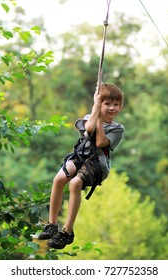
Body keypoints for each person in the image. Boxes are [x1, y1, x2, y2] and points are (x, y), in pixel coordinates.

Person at [38, 83, 124, 249]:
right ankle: (52, 224)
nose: (112, 108)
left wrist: (99, 115)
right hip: (80, 156)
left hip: (97, 163)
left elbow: (99, 142)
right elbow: (89, 128)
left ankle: (67, 232)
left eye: (115, 104)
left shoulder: (117, 128)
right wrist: (96, 109)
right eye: (107, 104)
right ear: (99, 104)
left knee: (75, 183)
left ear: (121, 107)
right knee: (59, 178)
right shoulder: (89, 116)